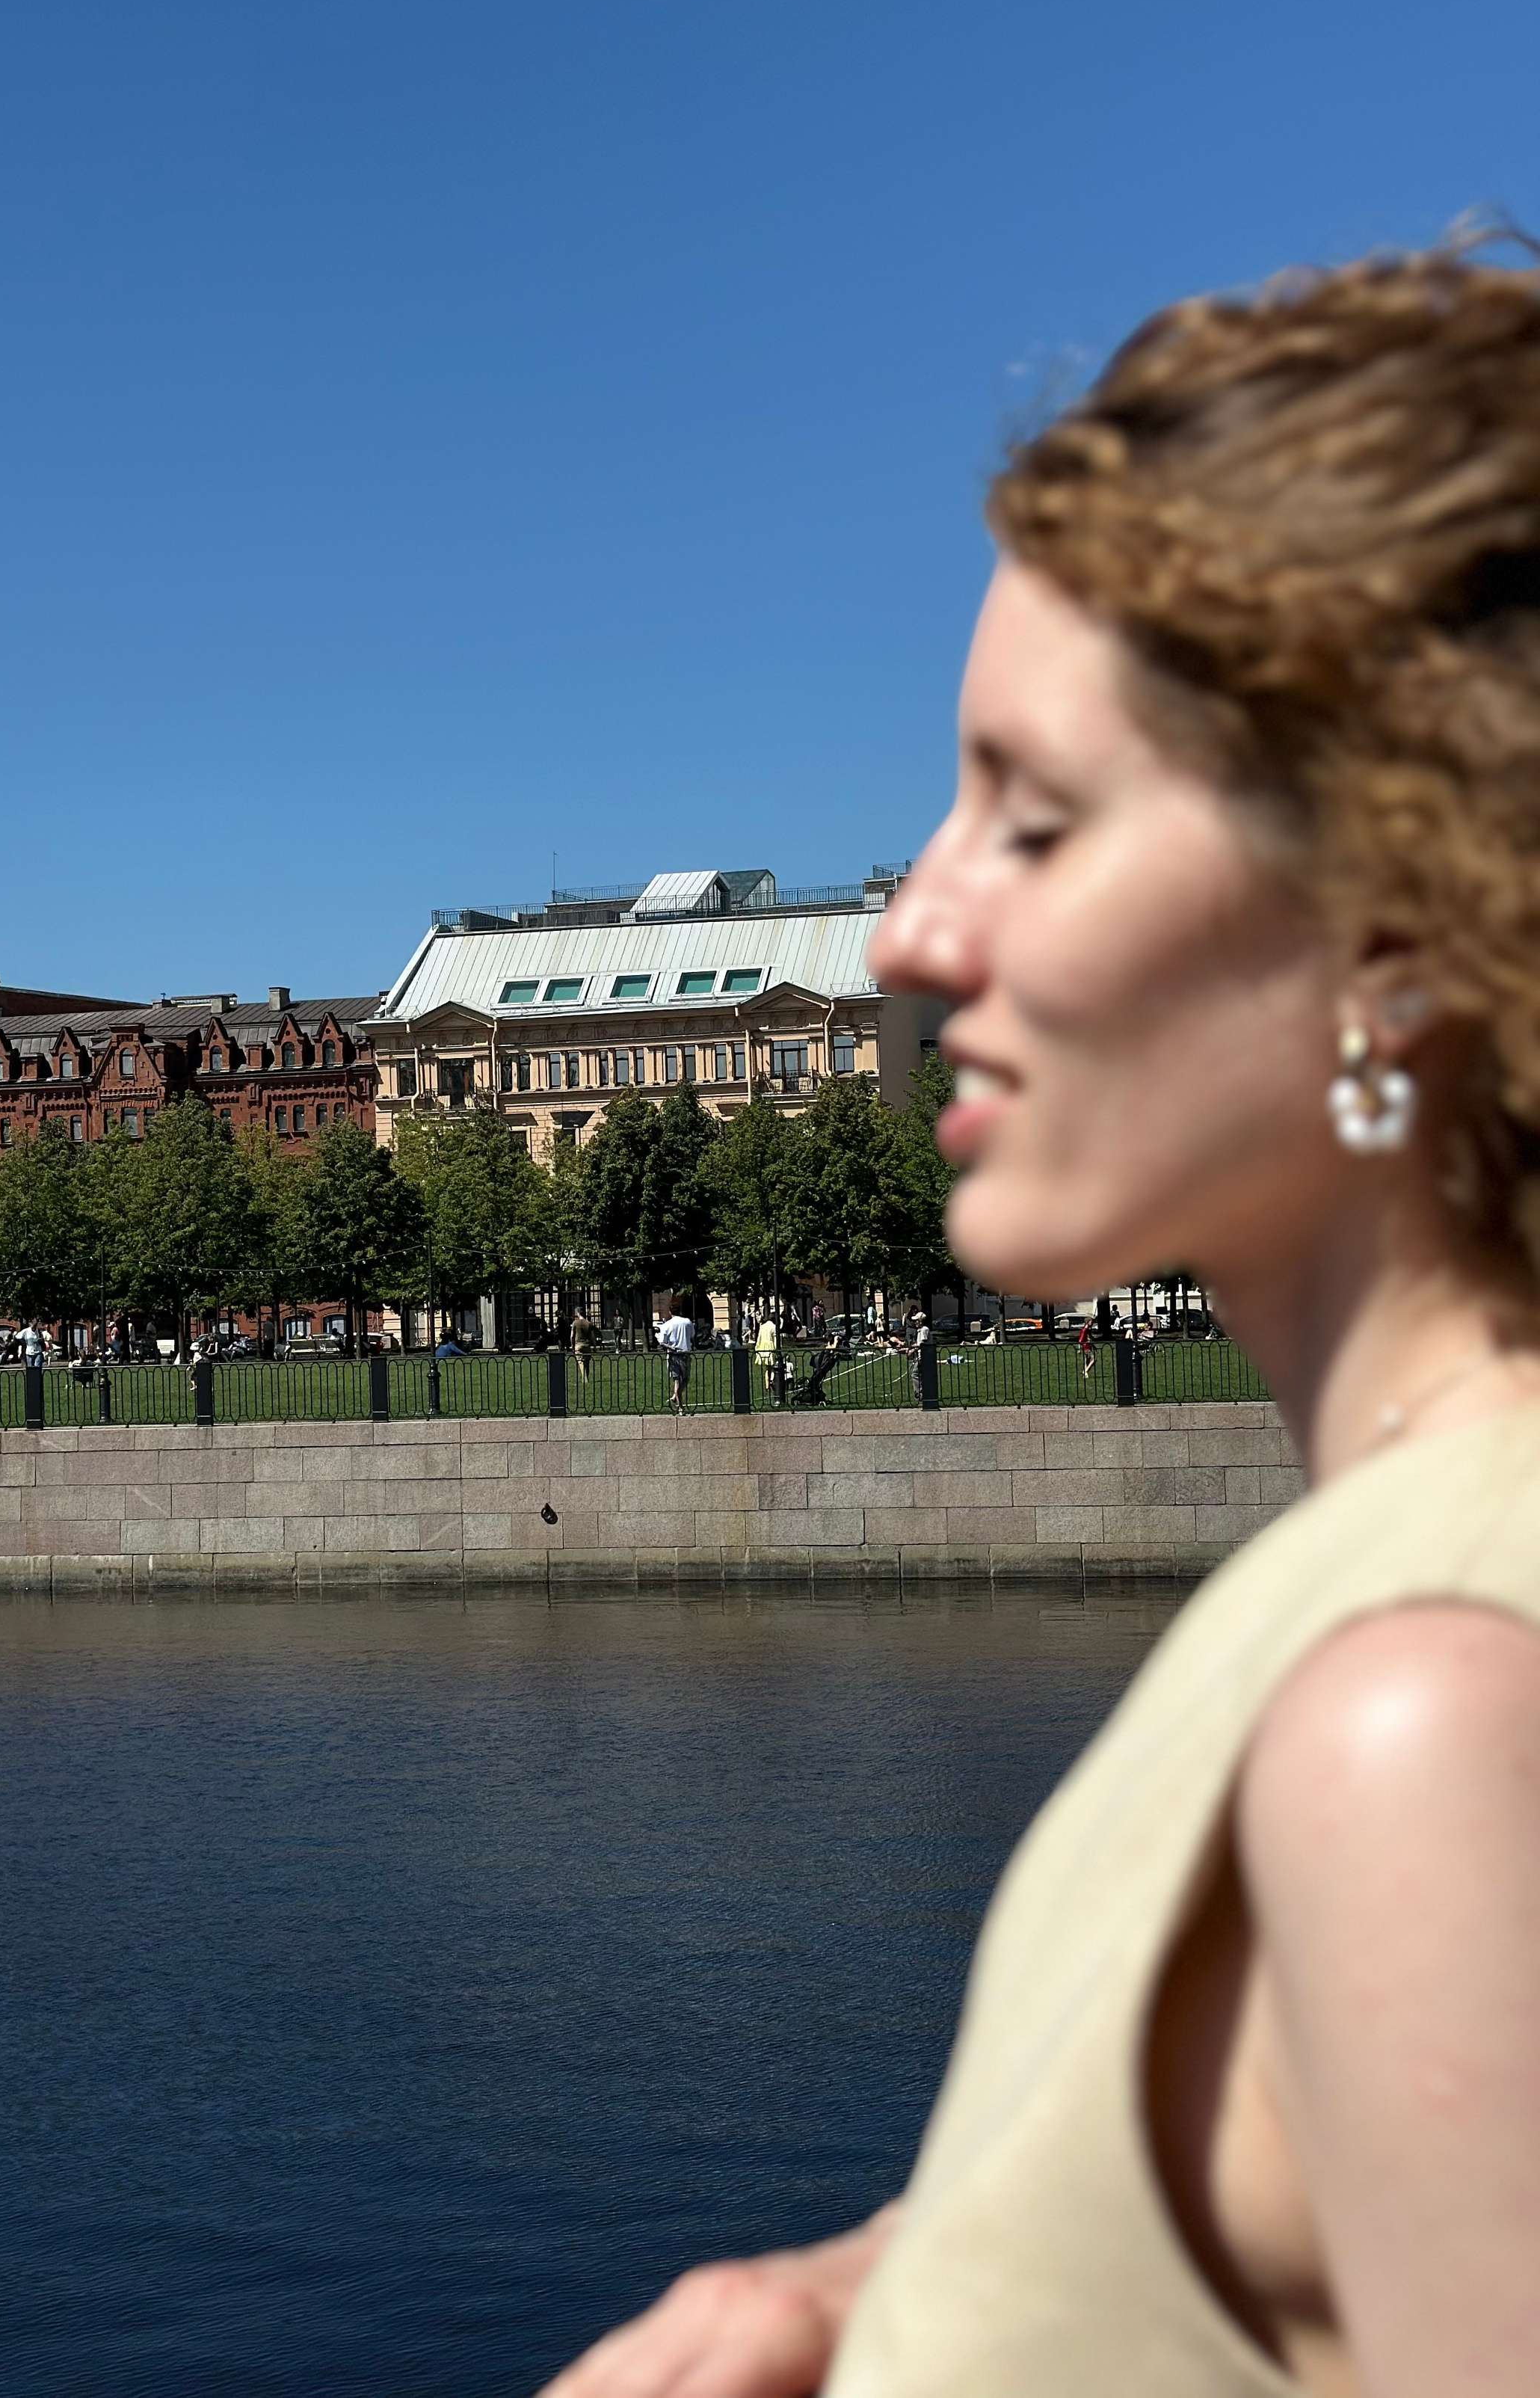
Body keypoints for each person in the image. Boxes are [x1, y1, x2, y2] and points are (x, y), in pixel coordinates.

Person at [538, 242, 1540, 2398]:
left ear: (1398, 922)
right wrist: (888, 2286)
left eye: (1038, 817)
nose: (911, 926)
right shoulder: (1396, 1579)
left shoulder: (1426, 1722)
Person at [658, 1294, 694, 1415]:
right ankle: (680, 1406)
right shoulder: (687, 1322)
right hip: (685, 1354)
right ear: (680, 1311)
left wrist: (671, 1347)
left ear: (670, 1312)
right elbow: (692, 1336)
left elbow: (662, 1342)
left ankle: (677, 1401)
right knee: (684, 1380)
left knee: (677, 1381)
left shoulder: (667, 1325)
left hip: (673, 1355)